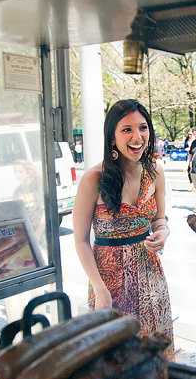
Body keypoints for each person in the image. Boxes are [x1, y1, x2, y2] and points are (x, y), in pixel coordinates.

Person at [72, 99, 174, 344]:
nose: (137, 136)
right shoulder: (93, 179)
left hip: (151, 277)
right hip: (109, 283)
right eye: (126, 129)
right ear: (112, 137)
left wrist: (163, 233)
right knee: (116, 360)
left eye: (142, 127)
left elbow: (160, 220)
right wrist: (99, 288)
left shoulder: (155, 172)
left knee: (154, 353)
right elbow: (81, 240)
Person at [13, 158, 44, 239]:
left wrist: (39, 232)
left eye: (20, 172)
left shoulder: (38, 186)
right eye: (15, 172)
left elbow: (45, 211)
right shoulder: (18, 191)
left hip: (40, 229)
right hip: (26, 230)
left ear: (28, 172)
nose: (17, 174)